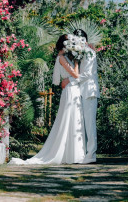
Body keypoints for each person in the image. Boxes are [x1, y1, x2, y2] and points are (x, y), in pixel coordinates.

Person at [9, 34, 85, 165]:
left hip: (74, 89)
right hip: (70, 91)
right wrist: (77, 62)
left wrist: (75, 61)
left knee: (75, 120)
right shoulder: (61, 58)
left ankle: (74, 154)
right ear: (64, 45)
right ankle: (66, 153)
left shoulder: (68, 57)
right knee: (67, 119)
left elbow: (75, 76)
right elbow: (76, 74)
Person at [61, 29, 100, 164]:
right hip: (82, 91)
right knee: (81, 124)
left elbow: (87, 74)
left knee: (89, 124)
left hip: (89, 91)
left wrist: (70, 81)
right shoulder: (81, 53)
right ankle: (84, 153)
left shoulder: (89, 53)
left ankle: (91, 155)